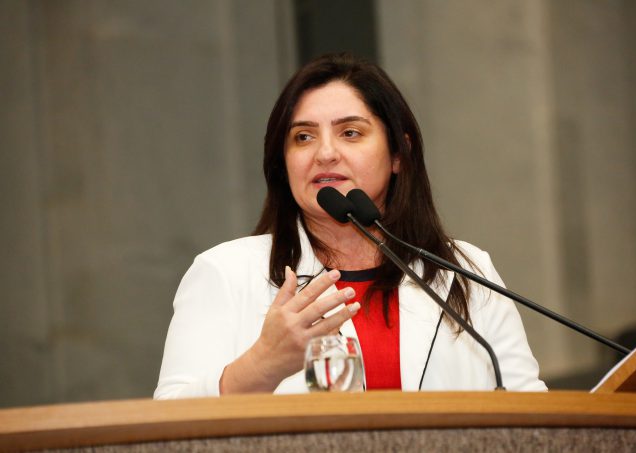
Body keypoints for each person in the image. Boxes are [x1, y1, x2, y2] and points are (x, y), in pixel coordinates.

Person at [154, 53, 546, 399]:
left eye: (350, 133)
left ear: (399, 153)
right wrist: (263, 363)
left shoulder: (466, 273)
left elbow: (533, 416)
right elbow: (168, 428)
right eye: (303, 137)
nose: (325, 153)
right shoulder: (226, 273)